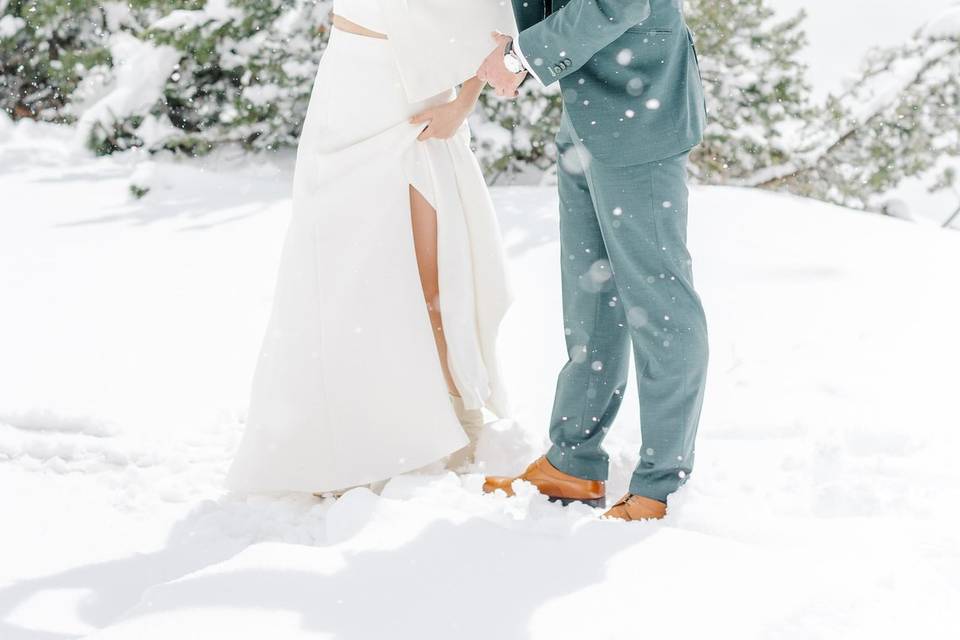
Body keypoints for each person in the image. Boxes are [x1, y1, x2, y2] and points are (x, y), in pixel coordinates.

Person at [227, 0, 517, 494]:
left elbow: (494, 20)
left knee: (428, 275)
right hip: (346, 86)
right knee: (336, 272)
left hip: (413, 99)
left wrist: (463, 102)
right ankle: (333, 441)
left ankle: (451, 425)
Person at [478, 0, 710, 521]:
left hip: (642, 106)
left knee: (659, 301)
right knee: (591, 297)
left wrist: (520, 57)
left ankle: (661, 487)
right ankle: (573, 462)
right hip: (588, 107)